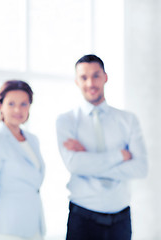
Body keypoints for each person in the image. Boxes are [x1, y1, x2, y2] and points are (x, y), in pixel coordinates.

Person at [56, 54, 148, 240]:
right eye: (84, 77)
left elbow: (140, 168)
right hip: (82, 217)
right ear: (76, 81)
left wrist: (88, 160)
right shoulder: (66, 121)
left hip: (121, 218)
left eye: (96, 75)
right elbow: (75, 166)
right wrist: (119, 156)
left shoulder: (128, 120)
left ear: (105, 77)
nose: (91, 82)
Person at [0, 80, 46, 240]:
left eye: (23, 104)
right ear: (1, 105)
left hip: (35, 226)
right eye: (11, 104)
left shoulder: (33, 140)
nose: (18, 109)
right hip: (7, 229)